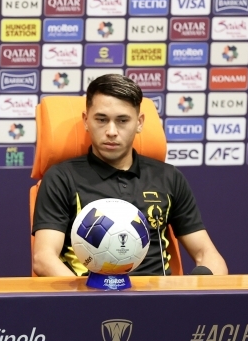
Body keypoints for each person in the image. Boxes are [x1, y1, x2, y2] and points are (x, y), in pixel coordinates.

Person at [32, 74, 228, 276]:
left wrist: (201, 285)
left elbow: (207, 254)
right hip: (91, 292)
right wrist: (83, 293)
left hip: (161, 293)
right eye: (101, 119)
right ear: (86, 121)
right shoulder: (61, 178)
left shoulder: (168, 177)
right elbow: (44, 258)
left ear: (139, 123)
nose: (111, 131)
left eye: (122, 120)